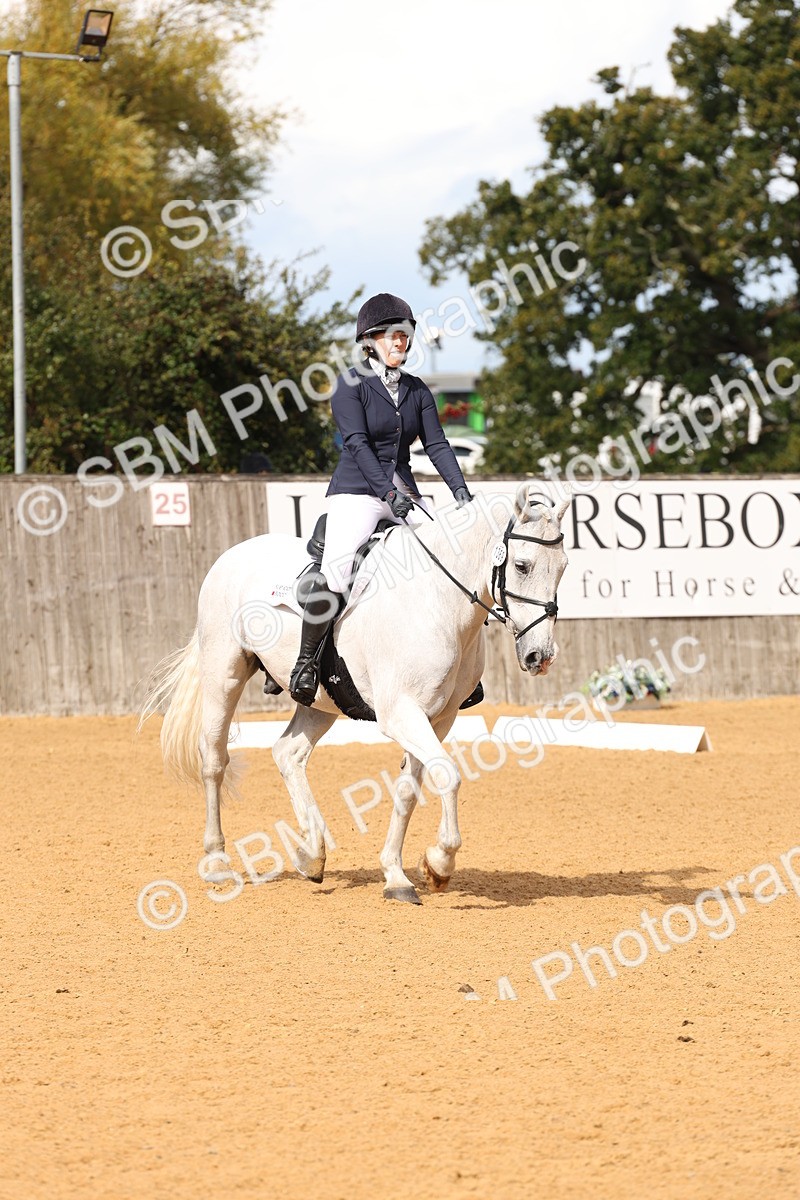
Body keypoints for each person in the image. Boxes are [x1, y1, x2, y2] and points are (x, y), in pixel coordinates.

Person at [288, 292, 476, 707]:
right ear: (370, 340)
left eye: (405, 336)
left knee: (444, 555)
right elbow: (356, 443)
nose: (400, 343)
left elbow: (439, 445)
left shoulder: (416, 390)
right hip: (357, 491)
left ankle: (456, 668)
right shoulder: (349, 384)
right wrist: (388, 493)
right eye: (391, 336)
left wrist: (462, 493)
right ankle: (305, 663)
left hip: (404, 490)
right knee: (337, 572)